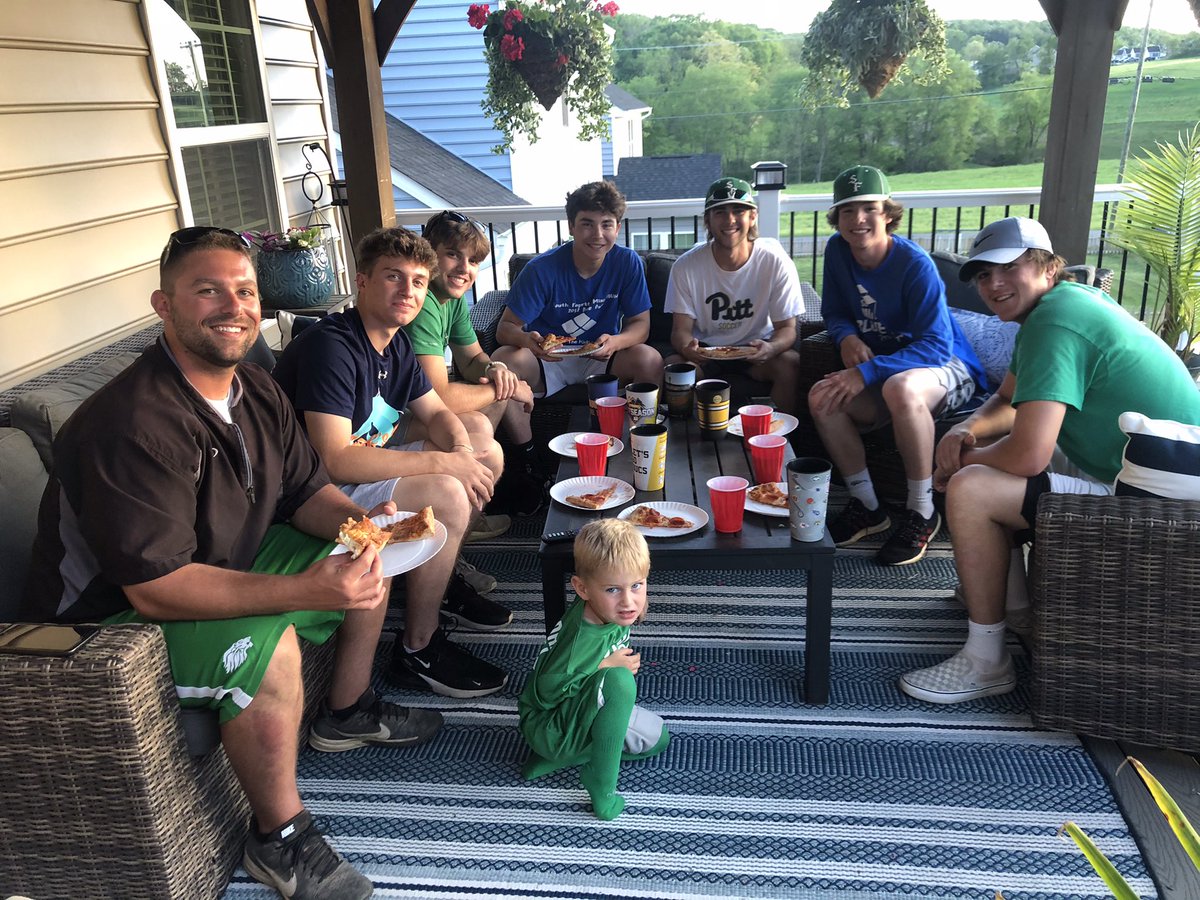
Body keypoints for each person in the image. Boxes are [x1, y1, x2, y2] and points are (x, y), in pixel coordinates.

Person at [22, 226, 443, 900]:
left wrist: (368, 529)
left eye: (244, 290)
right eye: (207, 290)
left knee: (369, 550)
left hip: (216, 562)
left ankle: (348, 711)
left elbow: (308, 493)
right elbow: (157, 588)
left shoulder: (254, 387)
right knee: (269, 645)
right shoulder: (132, 423)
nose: (233, 305)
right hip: (112, 622)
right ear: (165, 306)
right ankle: (278, 840)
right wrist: (303, 587)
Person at [900, 216, 1200, 704]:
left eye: (1009, 267)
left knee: (973, 488)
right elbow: (1005, 399)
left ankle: (986, 660)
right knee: (984, 469)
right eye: (982, 274)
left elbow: (1027, 454)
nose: (993, 284)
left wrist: (961, 463)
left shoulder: (1055, 322)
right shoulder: (1065, 305)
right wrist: (965, 430)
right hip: (1158, 472)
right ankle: (1016, 610)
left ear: (1047, 267)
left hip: (1163, 502)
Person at [273, 227, 511, 700]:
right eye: (393, 277)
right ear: (362, 281)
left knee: (480, 444)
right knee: (446, 491)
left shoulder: (395, 343)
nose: (409, 291)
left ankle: (442, 573)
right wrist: (447, 467)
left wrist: (461, 455)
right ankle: (418, 648)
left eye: (419, 281)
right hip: (312, 493)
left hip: (358, 468)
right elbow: (335, 459)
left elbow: (438, 413)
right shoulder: (333, 347)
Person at [810, 165, 986, 566]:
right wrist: (847, 337)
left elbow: (937, 344)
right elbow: (834, 311)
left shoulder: (914, 264)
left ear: (888, 213)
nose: (858, 220)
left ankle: (922, 510)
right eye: (847, 211)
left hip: (947, 365)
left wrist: (865, 373)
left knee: (900, 388)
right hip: (890, 367)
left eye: (868, 208)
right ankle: (868, 506)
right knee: (823, 397)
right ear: (837, 219)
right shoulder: (837, 251)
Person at [518, 518, 670, 820]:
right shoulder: (581, 638)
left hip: (575, 711)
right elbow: (545, 693)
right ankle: (601, 785)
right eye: (613, 589)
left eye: (637, 585)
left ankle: (580, 755)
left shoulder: (606, 607)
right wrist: (605, 665)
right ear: (582, 588)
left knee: (659, 739)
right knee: (620, 682)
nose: (629, 601)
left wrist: (638, 598)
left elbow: (630, 595)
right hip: (550, 727)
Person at [405, 210, 544, 518]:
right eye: (452, 255)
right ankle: (465, 505)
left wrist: (495, 370)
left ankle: (475, 501)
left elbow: (471, 358)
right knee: (487, 410)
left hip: (419, 408)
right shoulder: (422, 302)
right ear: (429, 256)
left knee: (496, 392)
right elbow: (437, 396)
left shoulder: (451, 300)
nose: (463, 268)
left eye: (473, 261)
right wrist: (507, 389)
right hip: (393, 419)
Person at [492, 181, 663, 397]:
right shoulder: (540, 269)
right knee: (505, 359)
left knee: (650, 359)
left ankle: (639, 430)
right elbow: (505, 328)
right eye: (587, 224)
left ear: (617, 228)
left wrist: (615, 342)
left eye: (607, 224)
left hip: (603, 357)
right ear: (571, 226)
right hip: (548, 359)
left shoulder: (627, 262)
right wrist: (528, 340)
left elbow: (641, 325)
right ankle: (521, 433)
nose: (598, 234)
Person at [664, 176, 805, 414]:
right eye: (720, 212)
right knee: (674, 367)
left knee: (790, 364)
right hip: (706, 353)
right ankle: (687, 441)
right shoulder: (685, 266)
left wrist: (771, 349)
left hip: (755, 349)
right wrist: (689, 348)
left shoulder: (775, 261)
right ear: (708, 220)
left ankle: (780, 440)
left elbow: (788, 329)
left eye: (738, 210)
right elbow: (680, 331)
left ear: (753, 217)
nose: (730, 219)